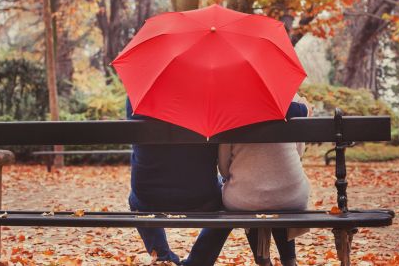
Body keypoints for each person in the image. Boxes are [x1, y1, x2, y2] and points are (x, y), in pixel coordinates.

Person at [126, 98, 230, 265]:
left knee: (135, 199)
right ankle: (198, 262)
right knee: (228, 203)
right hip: (200, 196)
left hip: (148, 197)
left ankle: (163, 258)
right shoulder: (210, 97)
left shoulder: (138, 97)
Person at [217, 95, 312, 266]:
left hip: (244, 200)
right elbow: (299, 153)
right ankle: (289, 261)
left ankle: (262, 261)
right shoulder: (293, 103)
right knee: (280, 193)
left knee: (250, 194)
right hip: (292, 197)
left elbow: (224, 168)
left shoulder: (229, 109)